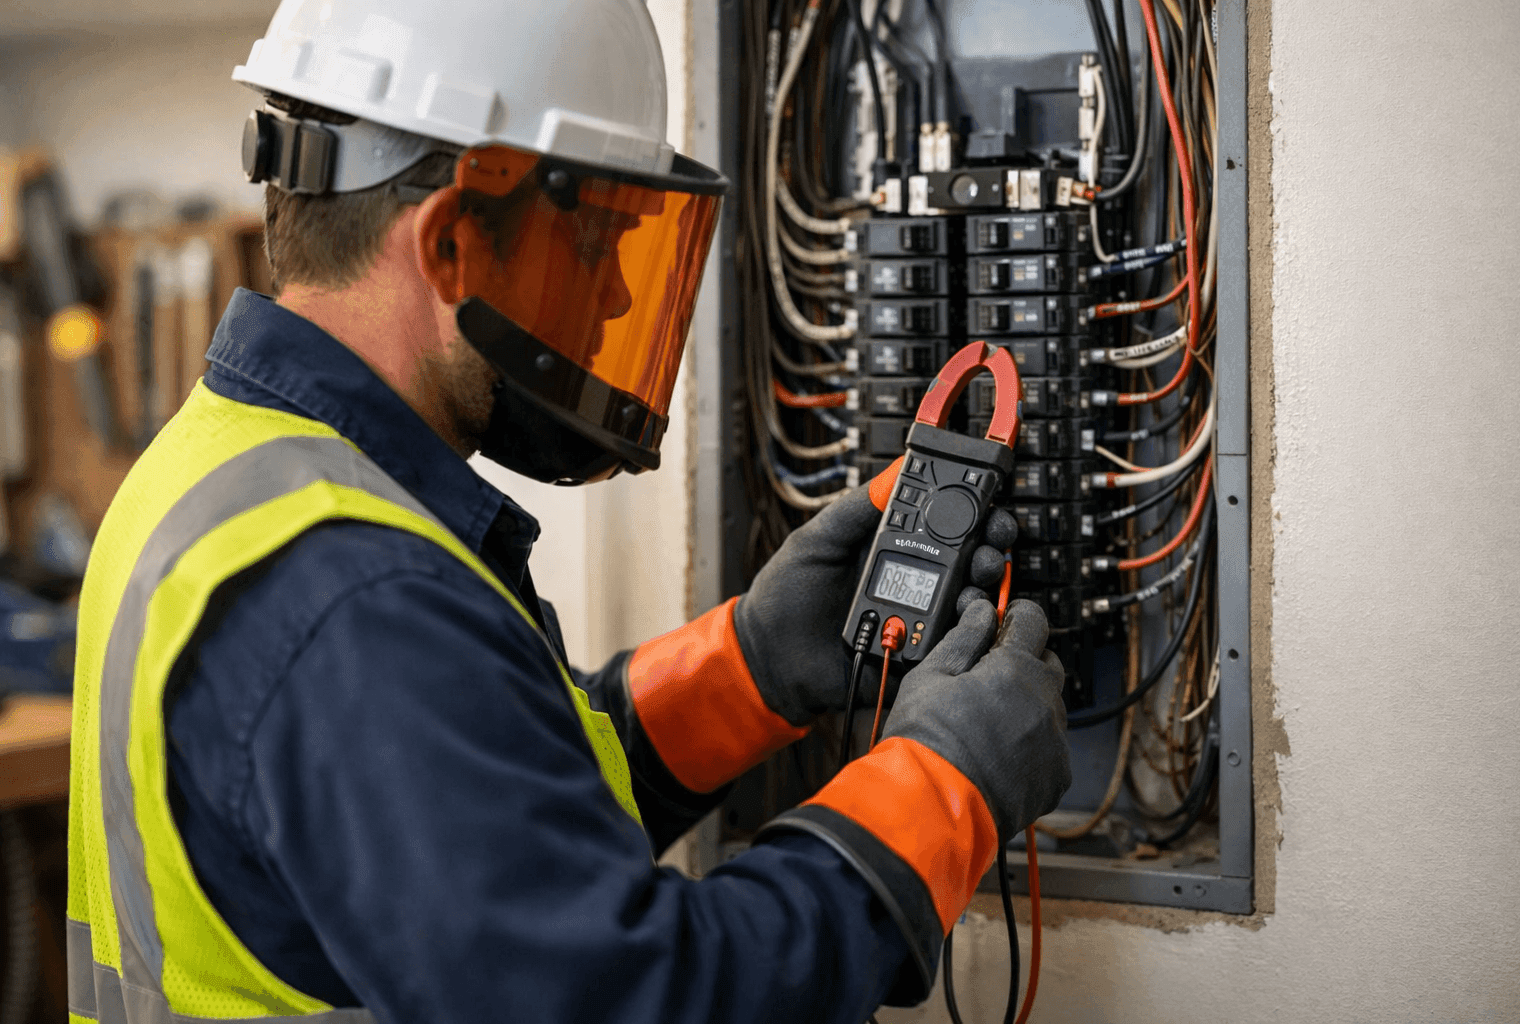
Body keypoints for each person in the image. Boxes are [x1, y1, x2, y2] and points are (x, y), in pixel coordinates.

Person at [64, 2, 1072, 1022]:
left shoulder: (218, 470)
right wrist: (949, 787)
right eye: (595, 245)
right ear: (455, 243)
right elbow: (638, 996)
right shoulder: (350, 594)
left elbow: (491, 836)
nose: (623, 303)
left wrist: (751, 666)